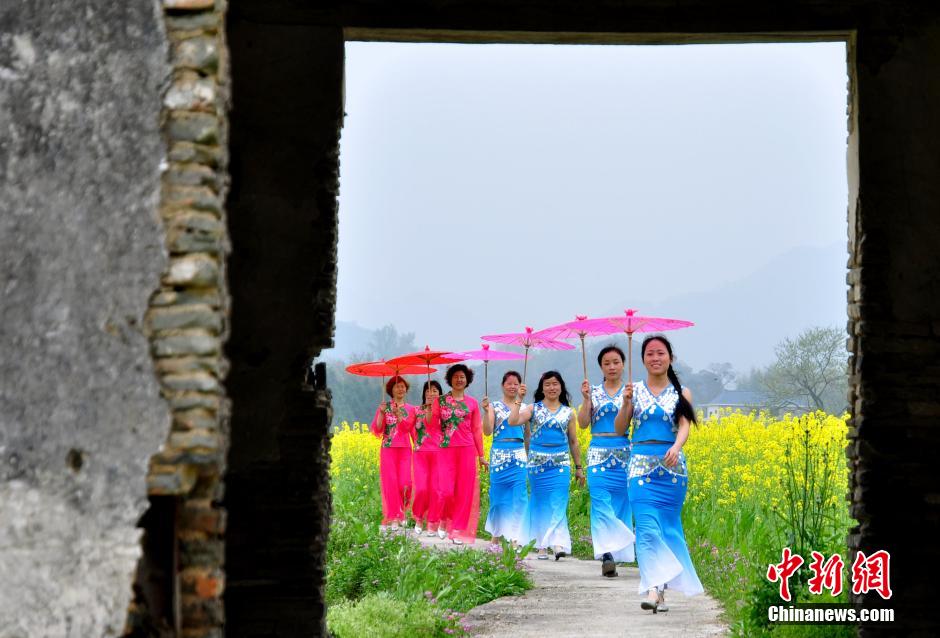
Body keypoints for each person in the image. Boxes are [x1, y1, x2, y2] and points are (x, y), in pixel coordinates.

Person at [615, 335, 704, 612]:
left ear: (670, 358)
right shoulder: (633, 391)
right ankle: (652, 589)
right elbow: (620, 428)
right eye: (650, 354)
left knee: (667, 530)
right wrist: (626, 403)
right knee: (646, 528)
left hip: (672, 469)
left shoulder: (682, 392)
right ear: (643, 360)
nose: (655, 358)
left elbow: (685, 425)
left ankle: (661, 592)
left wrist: (677, 446)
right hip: (640, 468)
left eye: (660, 353)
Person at [511, 370, 584, 560]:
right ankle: (541, 545)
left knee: (559, 502)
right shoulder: (533, 409)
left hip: (560, 463)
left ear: (561, 387)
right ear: (542, 389)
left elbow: (573, 441)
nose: (552, 388)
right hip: (537, 464)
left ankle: (557, 543)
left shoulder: (568, 412)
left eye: (555, 384)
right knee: (540, 503)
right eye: (547, 384)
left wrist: (579, 467)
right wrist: (519, 399)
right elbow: (513, 421)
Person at [578, 345, 636, 577]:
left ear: (623, 364)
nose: (612, 367)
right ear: (601, 367)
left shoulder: (631, 391)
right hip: (598, 454)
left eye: (616, 362)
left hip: (623, 454)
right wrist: (586, 400)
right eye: (606, 363)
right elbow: (583, 423)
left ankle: (618, 551)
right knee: (600, 503)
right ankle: (607, 555)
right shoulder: (592, 391)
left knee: (622, 504)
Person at [438, 363, 487, 544]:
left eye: (462, 377)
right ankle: (444, 517)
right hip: (445, 450)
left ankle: (457, 530)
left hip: (467, 450)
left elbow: (476, 430)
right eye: (456, 376)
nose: (459, 380)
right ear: (450, 379)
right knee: (446, 491)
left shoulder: (472, 403)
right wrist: (429, 410)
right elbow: (431, 425)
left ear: (467, 380)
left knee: (464, 492)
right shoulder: (440, 401)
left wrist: (481, 455)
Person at [481, 371, 529, 547]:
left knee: (520, 498)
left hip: (519, 456)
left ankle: (515, 537)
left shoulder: (525, 408)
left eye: (516, 383)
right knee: (498, 499)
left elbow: (527, 436)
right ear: (503, 385)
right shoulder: (494, 406)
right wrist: (486, 412)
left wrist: (528, 456)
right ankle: (496, 534)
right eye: (509, 383)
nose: (512, 387)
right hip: (499, 455)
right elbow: (487, 431)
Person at [369, 375, 417, 532]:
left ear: (406, 389)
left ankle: (401, 510)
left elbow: (412, 430)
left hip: (405, 449)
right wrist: (382, 413)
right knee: (391, 484)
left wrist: (419, 447)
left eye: (403, 386)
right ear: (391, 390)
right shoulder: (384, 407)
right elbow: (377, 429)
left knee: (405, 483)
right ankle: (395, 517)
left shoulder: (411, 409)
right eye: (397, 386)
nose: (400, 389)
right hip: (388, 449)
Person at [412, 380, 448, 538]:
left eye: (434, 390)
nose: (431, 393)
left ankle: (433, 522)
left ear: (440, 394)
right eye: (428, 390)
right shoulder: (416, 410)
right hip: (421, 454)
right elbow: (408, 428)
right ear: (423, 394)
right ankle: (419, 518)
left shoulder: (445, 412)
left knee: (436, 490)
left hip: (439, 454)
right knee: (421, 489)